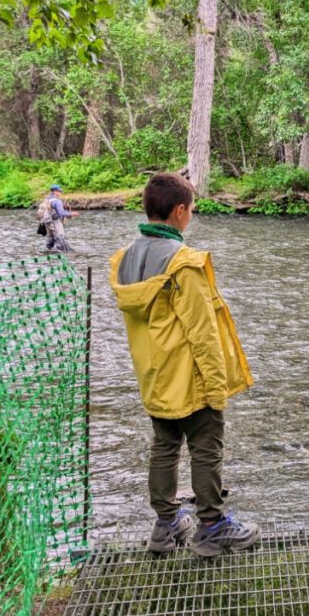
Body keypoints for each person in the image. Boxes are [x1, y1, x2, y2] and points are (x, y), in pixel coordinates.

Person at [109, 172, 259, 558]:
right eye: (191, 209)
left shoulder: (125, 259)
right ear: (179, 211)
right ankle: (211, 527)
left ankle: (166, 525)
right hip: (190, 379)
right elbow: (203, 333)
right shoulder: (184, 265)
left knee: (164, 447)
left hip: (154, 377)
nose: (191, 215)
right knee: (206, 449)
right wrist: (216, 388)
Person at [40, 184, 78, 252]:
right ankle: (61, 252)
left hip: (47, 221)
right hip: (54, 221)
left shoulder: (47, 199)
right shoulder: (57, 201)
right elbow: (61, 213)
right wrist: (72, 213)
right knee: (60, 236)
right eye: (59, 191)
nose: (61, 193)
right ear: (55, 191)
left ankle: (47, 250)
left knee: (51, 237)